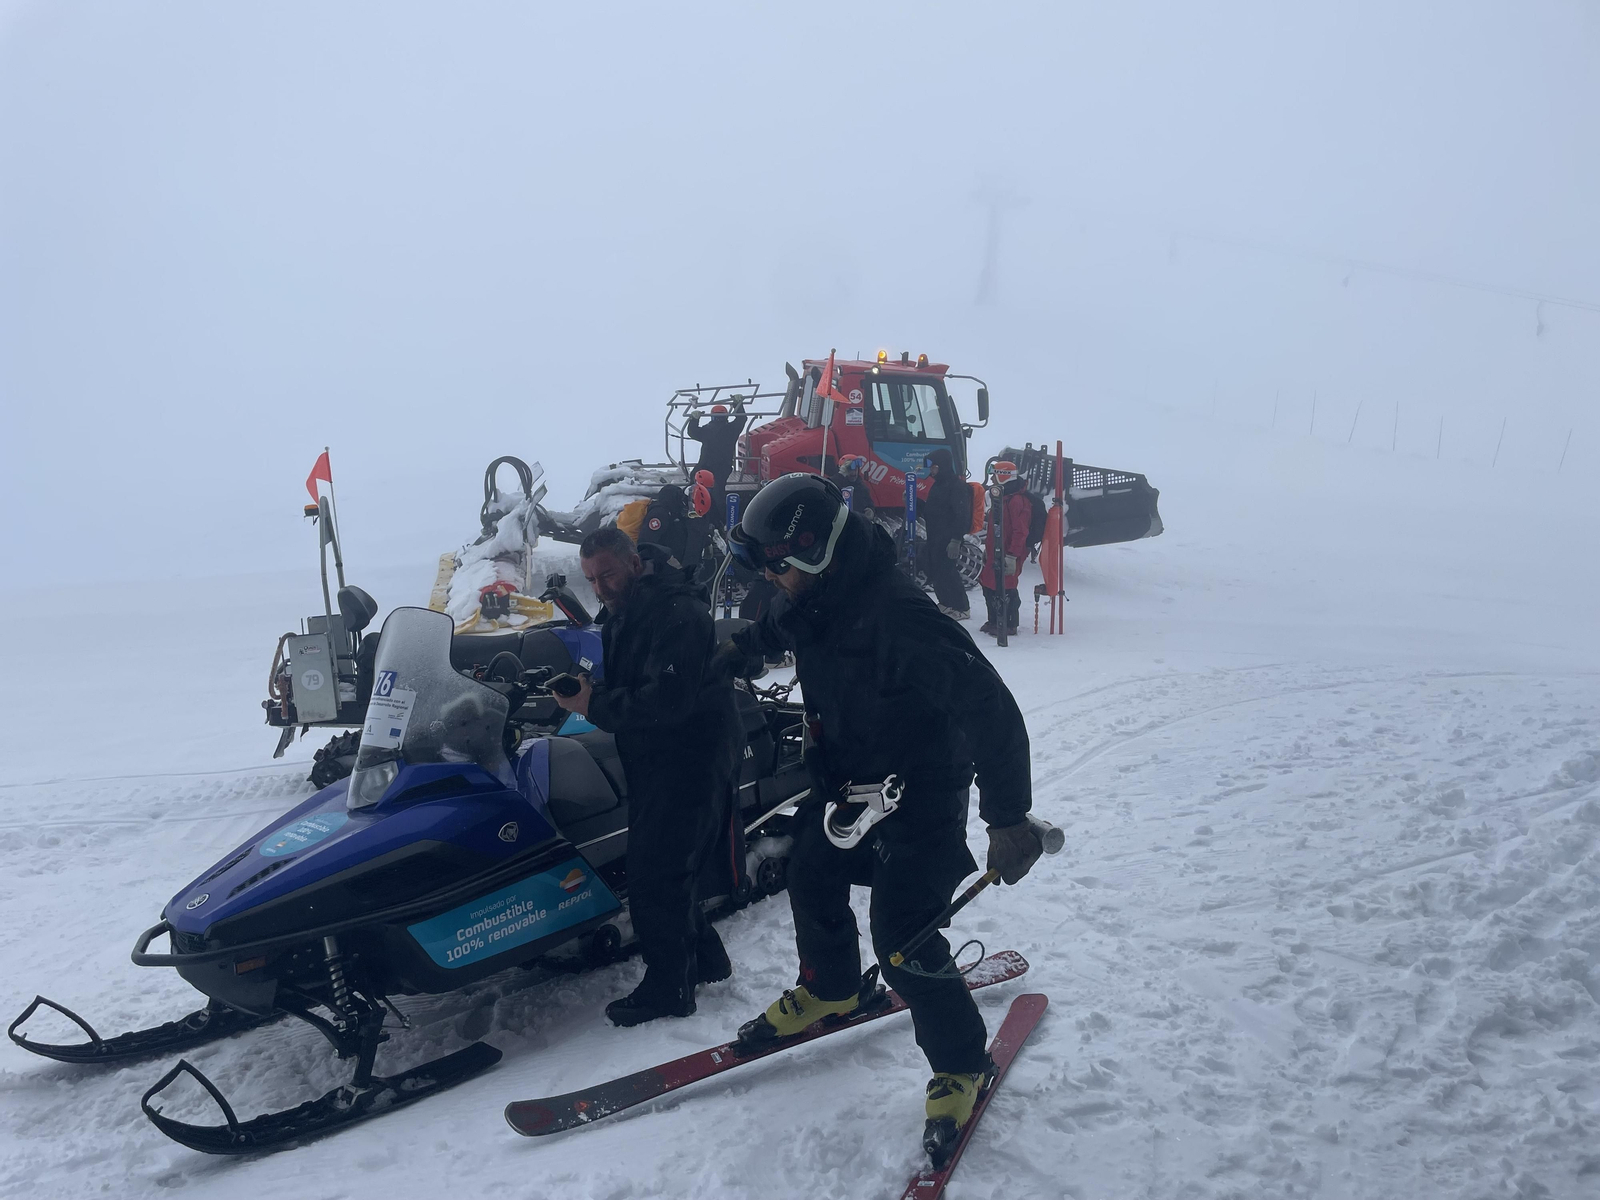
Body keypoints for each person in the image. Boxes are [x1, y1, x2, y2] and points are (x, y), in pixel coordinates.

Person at [720, 473, 1042, 1161]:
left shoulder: (900, 617)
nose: (771, 578)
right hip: (848, 783)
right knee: (810, 873)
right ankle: (833, 988)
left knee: (903, 939)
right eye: (763, 565)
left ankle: (961, 1062)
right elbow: (776, 624)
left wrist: (1009, 817)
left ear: (819, 552)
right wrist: (737, 649)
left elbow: (990, 712)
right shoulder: (811, 597)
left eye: (778, 564)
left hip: (921, 794)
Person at [553, 526, 743, 1026]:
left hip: (691, 755)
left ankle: (669, 989)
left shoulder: (678, 613)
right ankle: (706, 959)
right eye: (592, 580)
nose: (601, 588)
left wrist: (594, 705)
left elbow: (667, 701)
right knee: (666, 867)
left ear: (635, 563)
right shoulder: (628, 608)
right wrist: (589, 688)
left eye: (608, 575)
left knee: (656, 875)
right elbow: (637, 678)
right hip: (656, 755)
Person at [978, 461, 1031, 638]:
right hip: (996, 550)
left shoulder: (1016, 500)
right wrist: (989, 549)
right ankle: (994, 620)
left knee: (1006, 587)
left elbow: (1020, 531)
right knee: (989, 584)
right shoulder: (1002, 496)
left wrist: (1012, 556)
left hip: (1009, 552)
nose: (992, 479)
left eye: (994, 475)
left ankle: (1009, 623)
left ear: (1003, 476)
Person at [920, 448, 973, 620]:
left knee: (948, 572)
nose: (931, 470)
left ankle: (961, 607)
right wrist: (914, 503)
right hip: (935, 537)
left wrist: (956, 540)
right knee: (936, 570)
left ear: (941, 466)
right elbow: (932, 510)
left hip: (949, 538)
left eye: (933, 466)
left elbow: (962, 515)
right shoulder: (938, 485)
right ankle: (946, 602)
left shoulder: (956, 486)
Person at [685, 399, 749, 519]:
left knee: (708, 487)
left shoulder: (710, 430)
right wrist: (738, 405)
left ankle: (701, 513)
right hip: (717, 465)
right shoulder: (731, 429)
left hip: (711, 465)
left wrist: (694, 419)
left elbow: (693, 432)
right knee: (714, 489)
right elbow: (741, 419)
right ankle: (717, 517)